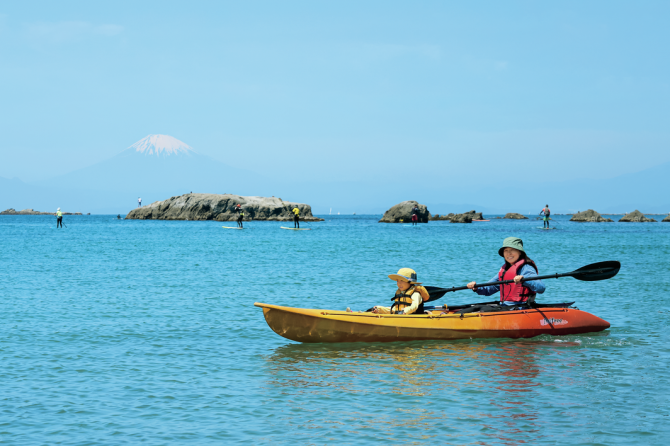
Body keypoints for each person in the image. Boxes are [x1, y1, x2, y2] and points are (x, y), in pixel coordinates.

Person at [466, 237, 545, 306]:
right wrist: (476, 287)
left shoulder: (526, 268)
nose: (509, 253)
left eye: (512, 250)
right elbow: (488, 289)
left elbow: (541, 288)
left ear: (519, 252)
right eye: (506, 250)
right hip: (506, 306)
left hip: (522, 307)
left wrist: (524, 280)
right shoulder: (505, 270)